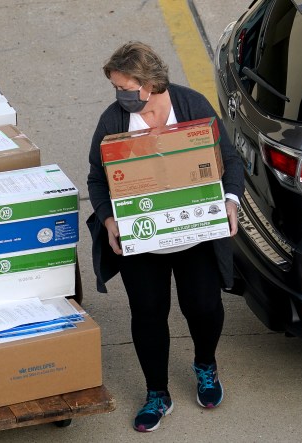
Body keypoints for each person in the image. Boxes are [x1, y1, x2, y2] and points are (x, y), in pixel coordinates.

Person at [86, 41, 244, 432]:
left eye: (125, 88)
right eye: (115, 88)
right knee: (148, 314)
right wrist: (108, 222)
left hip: (195, 238)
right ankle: (157, 392)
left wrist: (230, 201)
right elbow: (95, 177)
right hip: (143, 241)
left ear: (150, 83)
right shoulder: (113, 122)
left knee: (204, 307)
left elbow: (231, 159)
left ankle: (205, 364)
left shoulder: (193, 107)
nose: (120, 97)